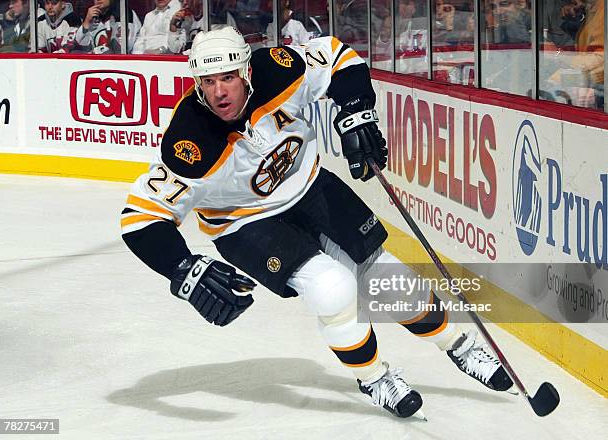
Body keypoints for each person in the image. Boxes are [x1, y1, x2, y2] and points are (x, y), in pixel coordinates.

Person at [120, 26, 513, 418]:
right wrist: (182, 267)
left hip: (309, 186)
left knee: (388, 280)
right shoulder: (189, 143)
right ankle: (375, 377)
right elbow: (140, 217)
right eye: (208, 82)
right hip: (245, 223)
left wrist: (355, 108)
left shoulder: (278, 70)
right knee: (333, 288)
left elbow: (338, 56)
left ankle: (459, 346)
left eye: (228, 78)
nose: (219, 92)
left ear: (246, 72)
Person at [167, 0, 236, 55]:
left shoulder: (216, 15)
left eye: (188, 0)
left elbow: (210, 47)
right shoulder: (186, 18)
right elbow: (175, 49)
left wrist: (183, 54)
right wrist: (173, 28)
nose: (185, 3)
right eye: (181, 0)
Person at [74, 0, 141, 54]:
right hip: (96, 64)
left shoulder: (124, 13)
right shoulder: (92, 16)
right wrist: (86, 22)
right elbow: (80, 46)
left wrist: (94, 52)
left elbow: (122, 49)